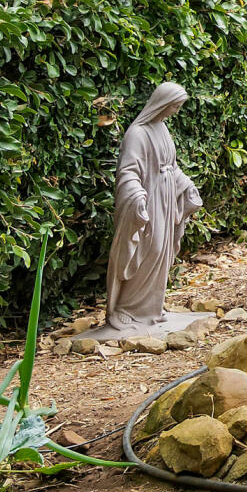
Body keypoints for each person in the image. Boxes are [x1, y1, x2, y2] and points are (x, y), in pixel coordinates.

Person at [97, 81, 202, 337]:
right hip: (149, 199)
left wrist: (186, 185)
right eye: (175, 106)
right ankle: (127, 308)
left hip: (166, 199)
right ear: (162, 103)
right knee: (148, 249)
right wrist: (136, 195)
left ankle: (150, 309)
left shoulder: (162, 128)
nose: (176, 111)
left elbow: (171, 167)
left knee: (162, 252)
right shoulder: (137, 133)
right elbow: (128, 171)